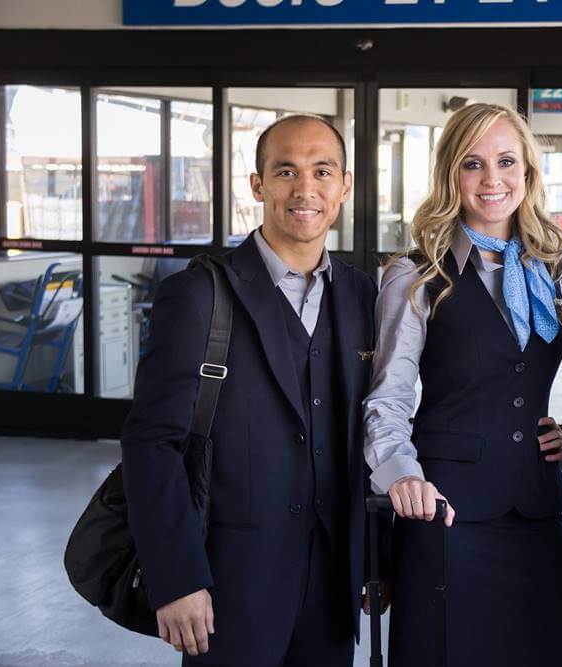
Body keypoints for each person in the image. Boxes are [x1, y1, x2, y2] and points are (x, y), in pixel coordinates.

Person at [121, 115, 379, 666]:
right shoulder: (196, 296)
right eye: (286, 171)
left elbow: (370, 430)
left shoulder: (361, 294)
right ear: (258, 184)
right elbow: (152, 444)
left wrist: (374, 561)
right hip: (225, 587)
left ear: (345, 185)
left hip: (334, 589)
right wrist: (176, 578)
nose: (305, 189)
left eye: (322, 171)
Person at [363, 102, 562, 667]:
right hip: (446, 512)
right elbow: (389, 397)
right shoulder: (418, 272)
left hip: (534, 509)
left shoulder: (550, 264)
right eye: (473, 164)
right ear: (452, 173)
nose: (492, 180)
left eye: (506, 162)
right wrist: (400, 475)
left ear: (527, 172)